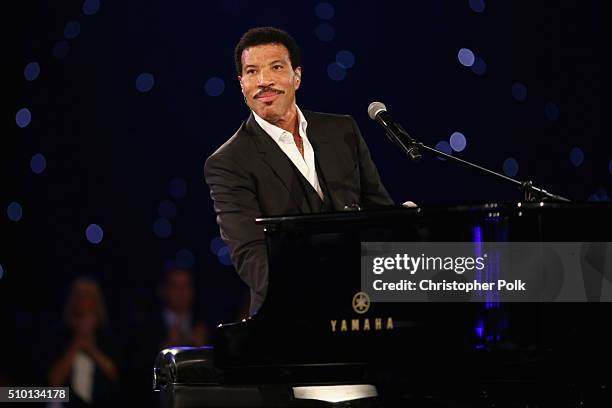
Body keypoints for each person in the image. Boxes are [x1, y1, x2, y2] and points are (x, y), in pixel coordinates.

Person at [204, 27, 394, 315]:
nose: (264, 81)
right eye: (252, 72)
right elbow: (251, 257)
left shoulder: (343, 130)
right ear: (241, 84)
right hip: (291, 320)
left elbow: (381, 214)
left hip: (367, 308)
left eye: (276, 67)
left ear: (297, 76)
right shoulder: (228, 162)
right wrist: (322, 293)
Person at [46, 277, 120, 407]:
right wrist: (77, 344)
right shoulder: (58, 335)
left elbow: (115, 374)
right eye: (78, 294)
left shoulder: (108, 336)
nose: (81, 299)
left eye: (87, 295)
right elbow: (53, 380)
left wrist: (90, 348)